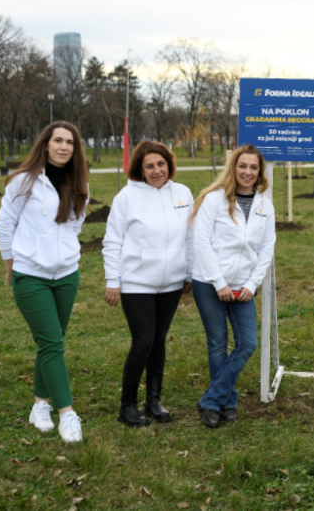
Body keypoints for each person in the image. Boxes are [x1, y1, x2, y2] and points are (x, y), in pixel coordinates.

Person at [0, 122, 89, 444]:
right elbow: (5, 222)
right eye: (58, 141)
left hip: (66, 276)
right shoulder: (24, 181)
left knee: (50, 341)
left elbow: (76, 225)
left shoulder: (80, 183)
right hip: (30, 275)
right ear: (46, 144)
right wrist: (11, 262)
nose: (64, 147)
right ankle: (67, 413)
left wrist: (65, 254)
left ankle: (40, 405)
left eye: (70, 143)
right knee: (52, 343)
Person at [102, 141, 194, 427]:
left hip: (171, 283)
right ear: (140, 170)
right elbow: (112, 241)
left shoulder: (182, 193)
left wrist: (188, 274)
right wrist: (113, 281)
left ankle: (153, 400)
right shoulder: (126, 197)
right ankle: (127, 405)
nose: (157, 171)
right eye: (150, 166)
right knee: (142, 341)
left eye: (161, 164)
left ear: (169, 164)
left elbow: (190, 236)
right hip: (136, 283)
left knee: (158, 341)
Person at [190, 144, 276, 428]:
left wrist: (252, 284)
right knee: (217, 344)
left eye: (253, 167)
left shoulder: (265, 204)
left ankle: (212, 398)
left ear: (259, 172)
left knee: (247, 343)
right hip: (209, 282)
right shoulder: (214, 200)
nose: (248, 172)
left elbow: (267, 248)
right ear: (233, 168)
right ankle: (224, 403)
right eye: (243, 166)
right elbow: (200, 242)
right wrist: (219, 282)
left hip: (244, 288)